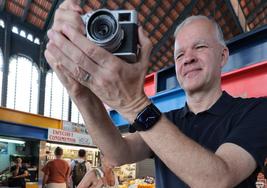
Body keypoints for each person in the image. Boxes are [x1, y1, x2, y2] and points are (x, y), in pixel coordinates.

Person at [44, 0, 267, 187]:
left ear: (223, 56)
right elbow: (119, 153)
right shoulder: (167, 121)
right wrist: (81, 94)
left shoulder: (255, 111)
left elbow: (219, 178)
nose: (188, 58)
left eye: (200, 47)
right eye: (179, 55)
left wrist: (135, 104)